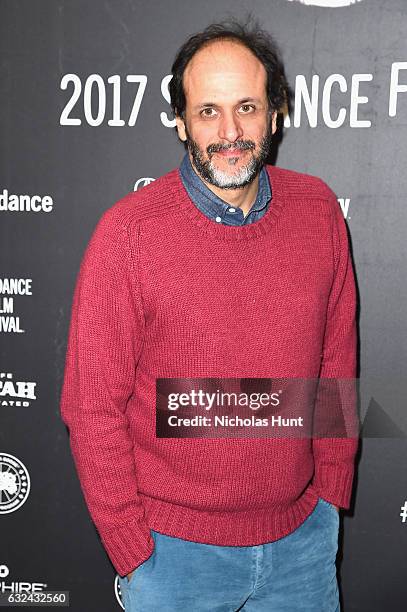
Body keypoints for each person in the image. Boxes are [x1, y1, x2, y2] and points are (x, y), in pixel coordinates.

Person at [60, 18, 359, 611]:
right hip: (173, 559)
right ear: (179, 122)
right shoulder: (128, 235)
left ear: (275, 115)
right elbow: (91, 404)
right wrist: (131, 548)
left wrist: (330, 490)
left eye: (247, 107)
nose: (231, 131)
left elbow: (336, 360)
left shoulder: (318, 211)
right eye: (207, 111)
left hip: (302, 544)